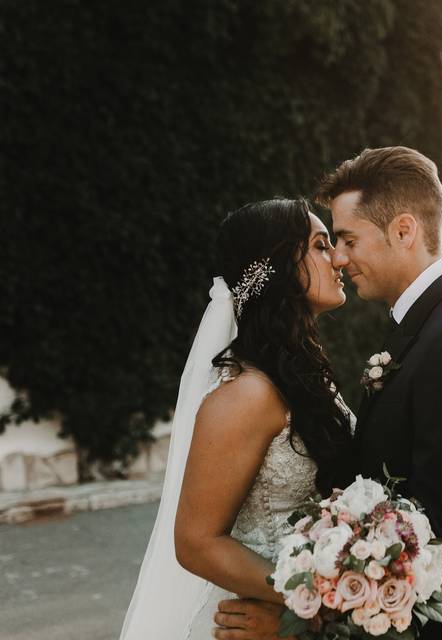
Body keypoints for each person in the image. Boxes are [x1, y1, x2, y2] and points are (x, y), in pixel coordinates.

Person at [216, 146, 442, 640]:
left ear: (404, 231)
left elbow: (424, 541)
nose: (339, 256)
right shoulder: (430, 329)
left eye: (347, 239)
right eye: (330, 243)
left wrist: (302, 620)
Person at [119, 198, 356, 640]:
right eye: (321, 246)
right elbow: (196, 543)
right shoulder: (248, 394)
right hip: (260, 617)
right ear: (279, 265)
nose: (338, 257)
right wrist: (309, 601)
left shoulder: (299, 375)